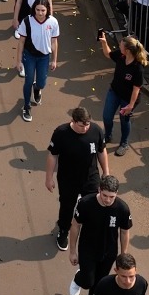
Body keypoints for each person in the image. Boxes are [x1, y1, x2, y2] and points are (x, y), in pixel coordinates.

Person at [47, 107, 109, 251]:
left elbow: (101, 151)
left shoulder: (96, 131)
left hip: (91, 177)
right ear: (73, 121)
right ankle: (63, 230)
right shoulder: (61, 133)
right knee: (67, 207)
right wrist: (48, 178)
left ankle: (89, 231)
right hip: (68, 179)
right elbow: (52, 155)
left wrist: (106, 172)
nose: (85, 128)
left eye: (87, 124)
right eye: (82, 125)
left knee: (93, 204)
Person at [64, 175, 132, 295]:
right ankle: (79, 278)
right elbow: (75, 226)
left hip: (109, 252)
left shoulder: (123, 209)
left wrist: (123, 255)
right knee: (88, 282)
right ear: (99, 189)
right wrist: (72, 251)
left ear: (117, 193)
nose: (107, 200)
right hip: (88, 249)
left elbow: (124, 232)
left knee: (99, 284)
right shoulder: (85, 203)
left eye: (112, 196)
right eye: (104, 195)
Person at [99, 33, 145, 156]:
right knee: (107, 116)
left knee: (124, 120)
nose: (119, 46)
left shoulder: (137, 68)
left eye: (121, 45)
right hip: (114, 92)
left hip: (128, 98)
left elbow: (136, 89)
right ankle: (107, 135)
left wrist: (130, 105)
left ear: (128, 50)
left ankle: (124, 143)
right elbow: (108, 54)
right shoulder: (120, 56)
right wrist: (104, 42)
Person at [17, 0, 60, 123]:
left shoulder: (53, 22)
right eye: (37, 10)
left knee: (41, 83)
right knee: (28, 80)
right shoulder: (27, 21)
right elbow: (21, 42)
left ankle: (37, 88)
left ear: (47, 10)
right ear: (34, 9)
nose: (40, 13)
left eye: (43, 10)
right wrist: (19, 61)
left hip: (44, 57)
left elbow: (54, 42)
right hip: (29, 56)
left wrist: (54, 60)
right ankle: (26, 106)